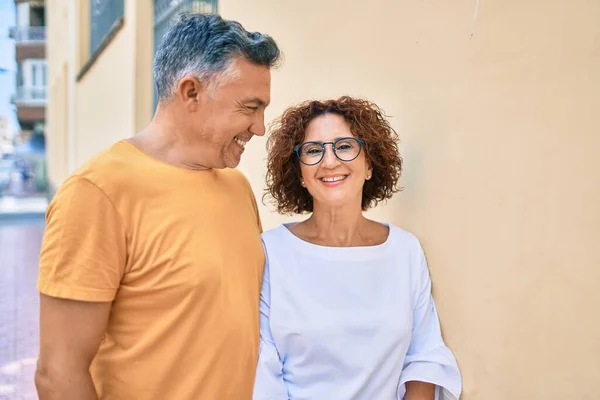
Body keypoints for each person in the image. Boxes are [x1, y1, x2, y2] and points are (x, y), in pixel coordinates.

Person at [35, 13, 281, 400]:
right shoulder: (97, 193)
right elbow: (58, 373)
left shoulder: (237, 188)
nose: (260, 127)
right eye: (250, 107)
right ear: (191, 92)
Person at [253, 96, 462, 399]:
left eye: (345, 146)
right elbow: (264, 369)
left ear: (369, 164)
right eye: (313, 150)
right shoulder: (271, 252)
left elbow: (424, 357)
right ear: (299, 174)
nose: (329, 161)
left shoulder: (405, 251)